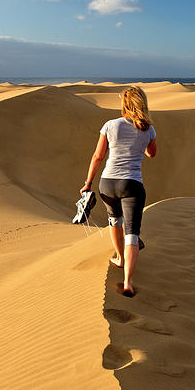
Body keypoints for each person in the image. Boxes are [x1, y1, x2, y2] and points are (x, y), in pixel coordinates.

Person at [81, 86, 157, 297]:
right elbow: (152, 154)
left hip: (107, 183)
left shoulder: (110, 125)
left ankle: (119, 258)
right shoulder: (148, 129)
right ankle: (128, 282)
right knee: (132, 233)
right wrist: (141, 142)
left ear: (124, 104)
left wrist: (88, 183)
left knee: (115, 221)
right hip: (132, 184)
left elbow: (97, 157)